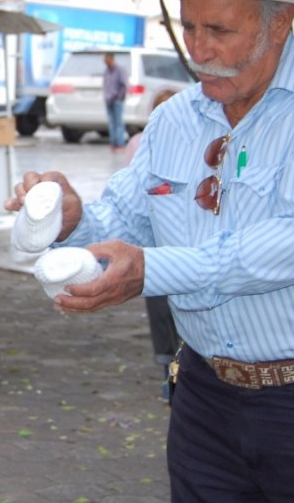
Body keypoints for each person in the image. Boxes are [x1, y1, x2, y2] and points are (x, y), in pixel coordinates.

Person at [7, 0, 294, 502]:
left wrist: (151, 271)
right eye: (189, 27)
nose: (199, 50)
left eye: (219, 30)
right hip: (206, 401)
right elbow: (123, 220)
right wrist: (72, 221)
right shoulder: (174, 119)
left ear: (280, 25)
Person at [125, 90, 181, 403]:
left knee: (166, 328)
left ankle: (171, 384)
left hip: (157, 254)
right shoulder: (145, 146)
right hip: (159, 254)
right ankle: (173, 384)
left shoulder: (138, 144)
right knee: (172, 328)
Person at [102, 52, 128, 151]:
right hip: (108, 100)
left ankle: (120, 144)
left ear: (110, 58)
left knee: (118, 123)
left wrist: (119, 97)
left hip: (117, 100)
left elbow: (124, 85)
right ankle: (113, 143)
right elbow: (105, 84)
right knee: (111, 122)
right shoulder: (107, 71)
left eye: (105, 58)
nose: (104, 60)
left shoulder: (119, 70)